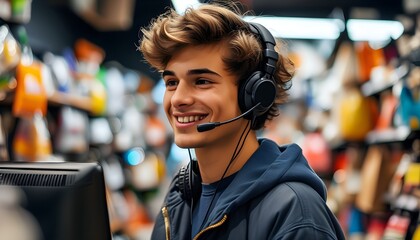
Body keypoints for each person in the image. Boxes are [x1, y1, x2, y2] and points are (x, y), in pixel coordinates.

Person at [139, 2, 345, 240]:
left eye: (202, 81)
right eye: (172, 83)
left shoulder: (294, 212)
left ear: (254, 95)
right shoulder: (180, 198)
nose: (178, 99)